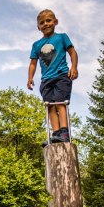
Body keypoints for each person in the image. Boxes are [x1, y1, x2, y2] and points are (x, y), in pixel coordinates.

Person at [27, 9, 78, 144]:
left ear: (55, 22)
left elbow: (72, 53)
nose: (46, 24)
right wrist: (30, 78)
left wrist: (74, 67)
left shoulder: (61, 37)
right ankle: (56, 133)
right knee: (49, 105)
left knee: (60, 102)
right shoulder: (36, 45)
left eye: (48, 20)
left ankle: (64, 132)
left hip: (61, 75)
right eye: (42, 22)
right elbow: (33, 63)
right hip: (46, 79)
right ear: (38, 27)